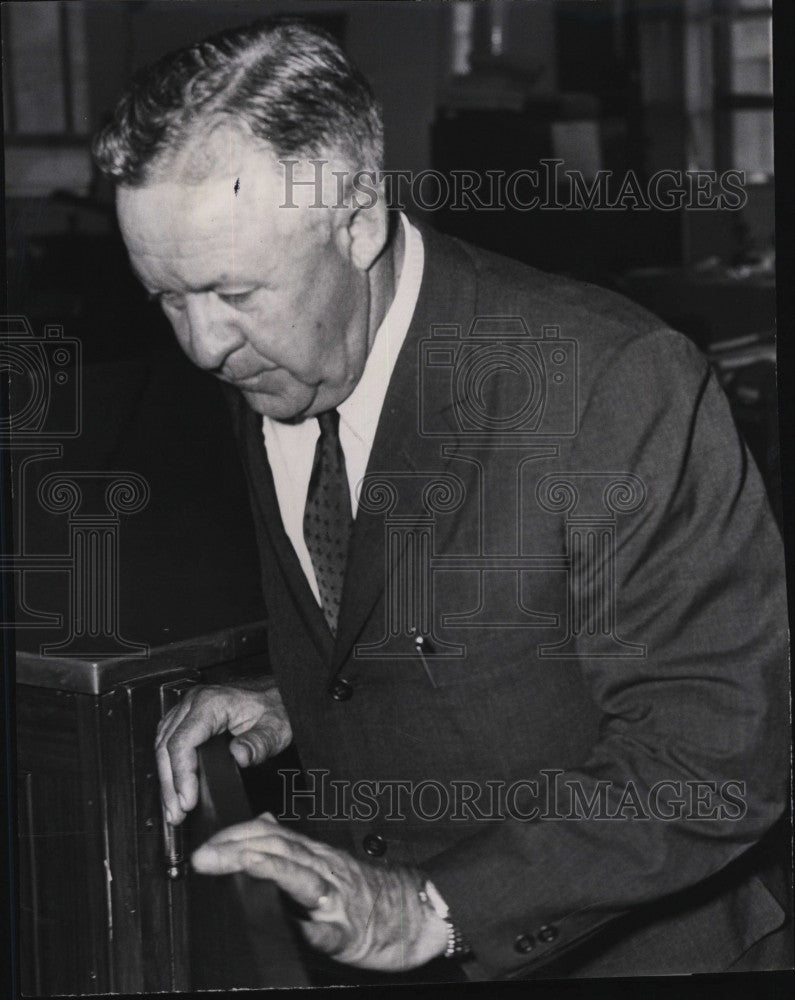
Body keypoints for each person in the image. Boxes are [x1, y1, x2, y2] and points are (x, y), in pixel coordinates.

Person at [92, 18, 790, 983]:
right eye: (166, 298)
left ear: (360, 221)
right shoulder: (284, 351)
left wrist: (432, 907)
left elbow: (713, 761)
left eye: (233, 293)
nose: (203, 345)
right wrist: (291, 694)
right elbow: (415, 607)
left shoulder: (609, 383)